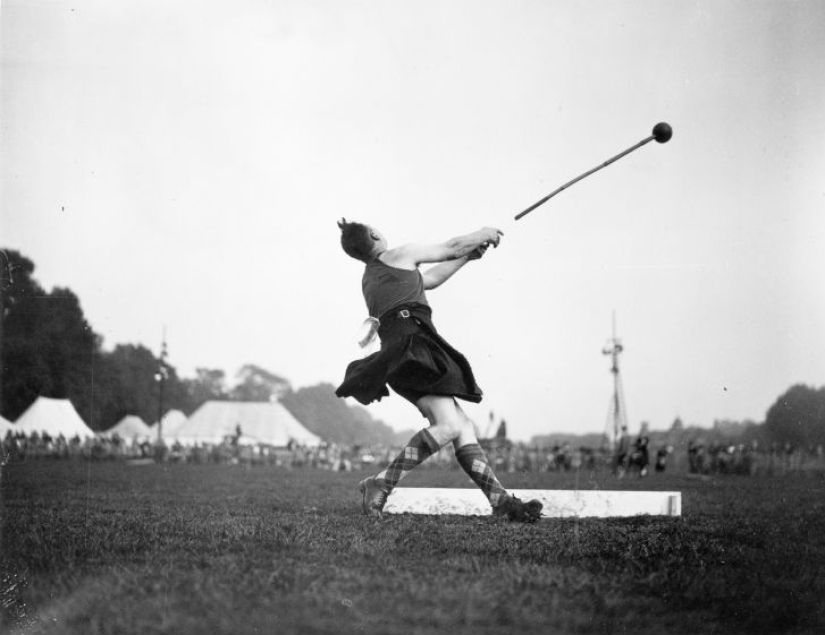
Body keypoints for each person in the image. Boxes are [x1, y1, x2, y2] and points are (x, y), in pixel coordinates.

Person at [334, 219, 542, 523]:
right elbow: (449, 247)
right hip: (415, 347)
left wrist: (466, 257)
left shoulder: (371, 277)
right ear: (375, 235)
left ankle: (501, 501)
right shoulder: (397, 254)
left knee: (461, 425)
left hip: (399, 352)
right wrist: (481, 234)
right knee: (448, 426)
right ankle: (382, 483)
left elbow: (428, 280)